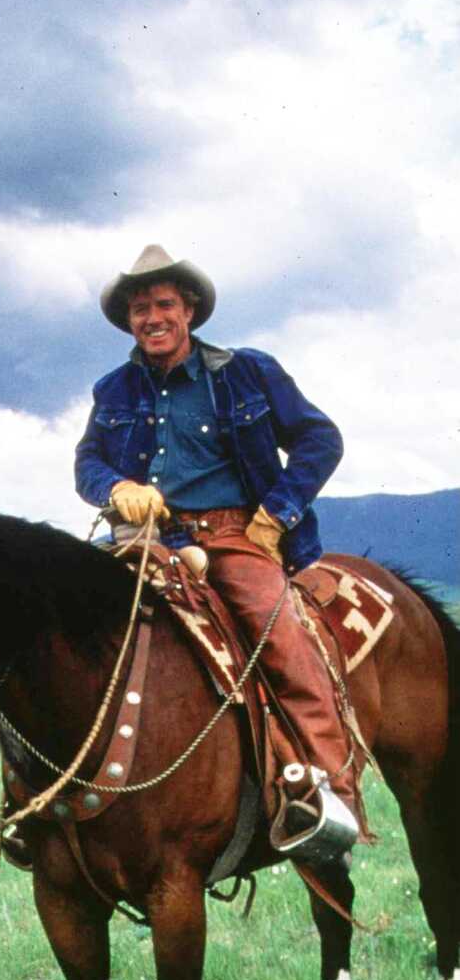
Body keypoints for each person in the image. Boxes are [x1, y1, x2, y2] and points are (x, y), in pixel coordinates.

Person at [73, 244, 362, 860]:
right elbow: (88, 463)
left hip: (236, 536)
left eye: (164, 305)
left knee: (280, 636)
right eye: (140, 308)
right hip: (146, 537)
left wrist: (275, 516)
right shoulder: (114, 390)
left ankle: (329, 796)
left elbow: (320, 439)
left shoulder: (246, 372)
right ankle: (45, 802)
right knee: (64, 623)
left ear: (190, 310)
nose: (152, 317)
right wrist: (117, 487)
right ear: (129, 319)